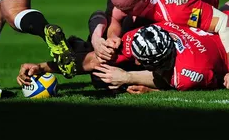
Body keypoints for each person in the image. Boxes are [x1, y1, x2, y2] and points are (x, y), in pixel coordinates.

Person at [90, 0, 229, 68]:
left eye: (127, 9)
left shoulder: (179, 10)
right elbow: (115, 16)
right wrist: (112, 37)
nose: (122, 13)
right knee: (130, 33)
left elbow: (224, 23)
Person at [17, 21, 229, 92]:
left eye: (140, 62)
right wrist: (43, 67)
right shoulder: (144, 35)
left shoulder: (189, 74)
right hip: (213, 35)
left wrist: (128, 77)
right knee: (100, 76)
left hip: (224, 47)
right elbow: (93, 61)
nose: (135, 61)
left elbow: (169, 84)